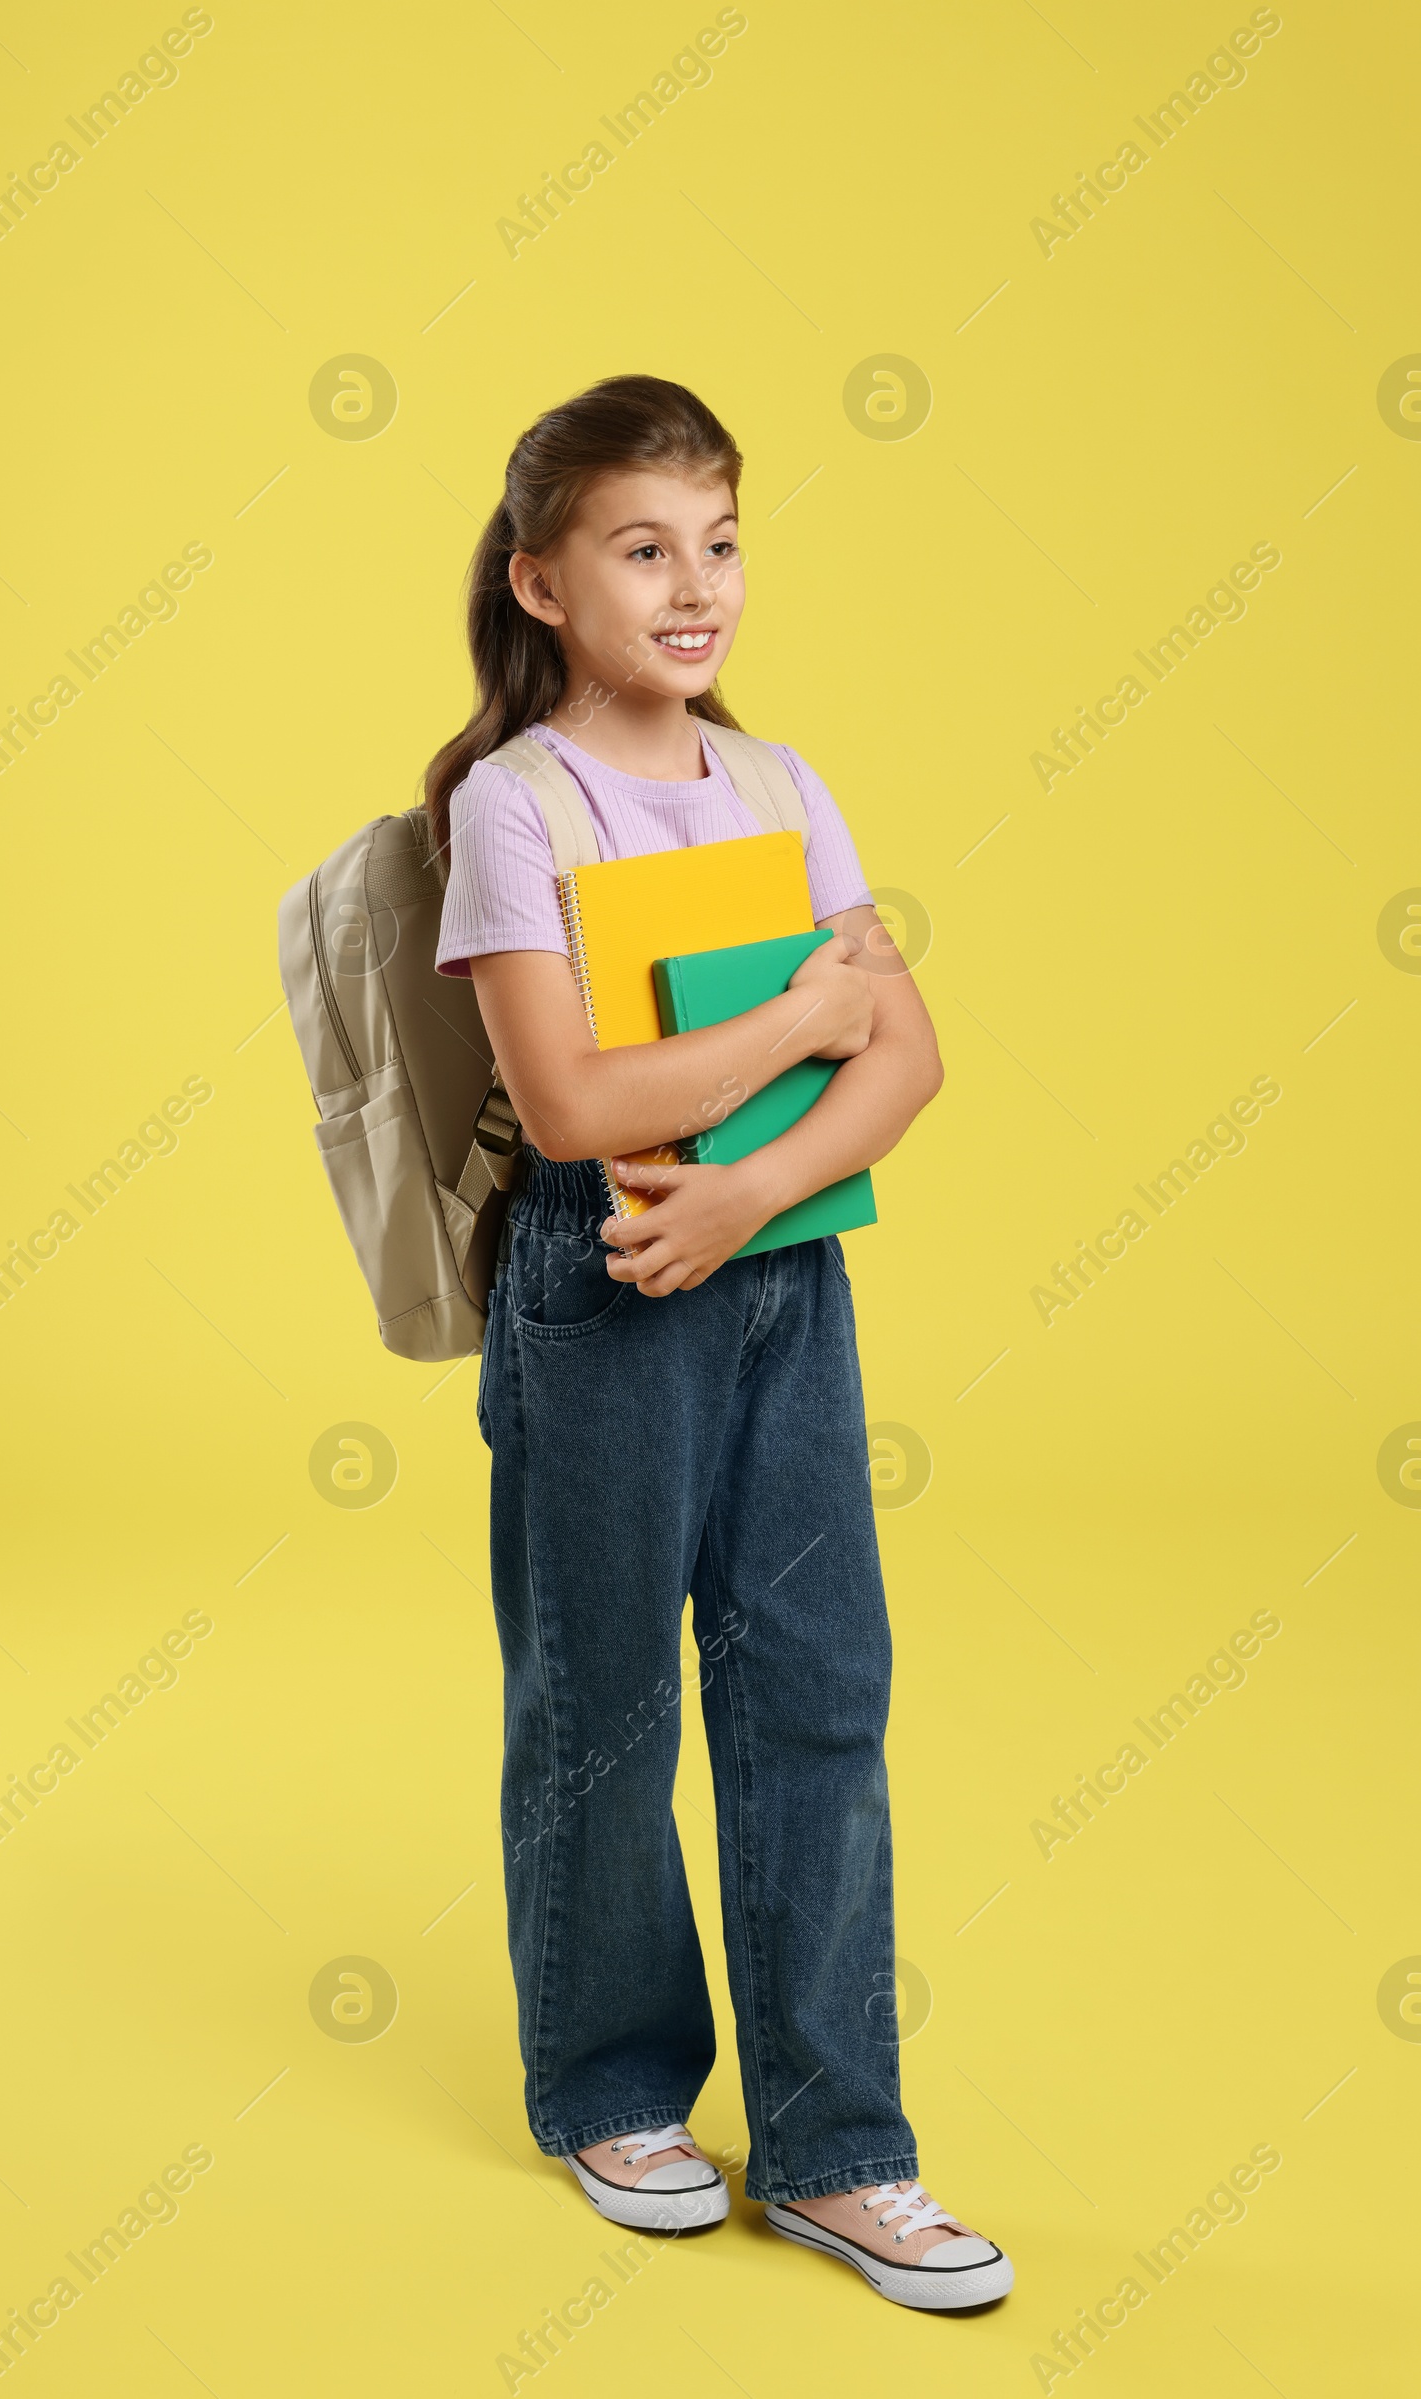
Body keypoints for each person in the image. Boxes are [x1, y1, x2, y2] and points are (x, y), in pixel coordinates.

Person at [425, 374, 1012, 2312]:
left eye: (721, 541)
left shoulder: (776, 786)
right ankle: (609, 2091)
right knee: (601, 1709)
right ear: (540, 578)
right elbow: (576, 1103)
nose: (695, 586)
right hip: (597, 1297)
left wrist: (757, 1188)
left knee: (815, 1692)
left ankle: (841, 2147)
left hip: (774, 1279)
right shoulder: (517, 806)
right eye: (642, 545)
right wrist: (790, 1025)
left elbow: (910, 1052)